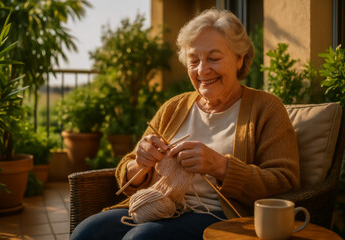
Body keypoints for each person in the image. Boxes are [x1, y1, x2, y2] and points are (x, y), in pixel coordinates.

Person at [70, 8, 300, 240]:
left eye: (214, 58)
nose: (202, 70)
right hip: (159, 207)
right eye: (193, 60)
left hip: (218, 217)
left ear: (239, 58)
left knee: (142, 238)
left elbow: (285, 182)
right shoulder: (174, 107)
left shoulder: (266, 108)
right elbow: (126, 174)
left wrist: (221, 166)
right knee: (86, 232)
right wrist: (141, 163)